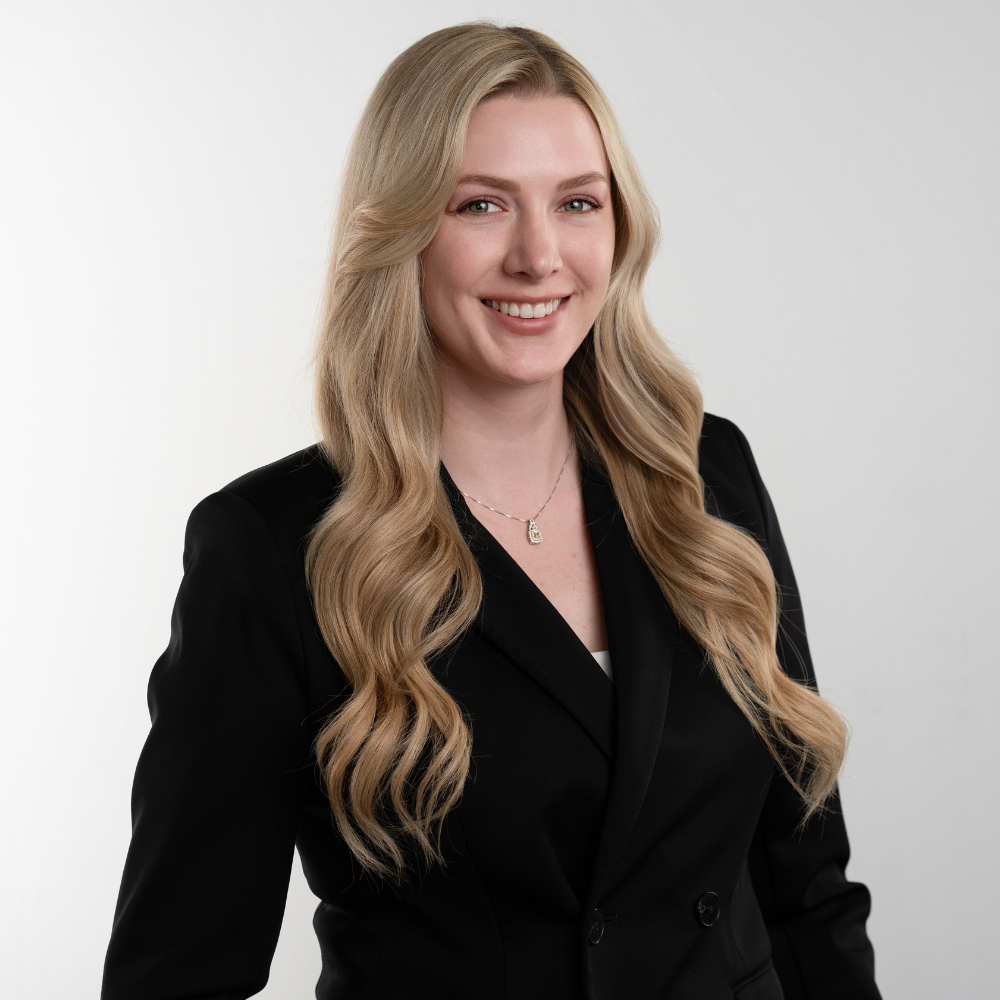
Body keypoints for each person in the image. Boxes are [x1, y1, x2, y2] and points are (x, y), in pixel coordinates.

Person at [102, 22, 880, 1000]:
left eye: (576, 203)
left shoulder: (704, 474)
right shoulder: (274, 547)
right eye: (480, 205)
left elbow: (808, 886)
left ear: (617, 227)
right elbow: (176, 973)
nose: (538, 255)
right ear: (400, 230)